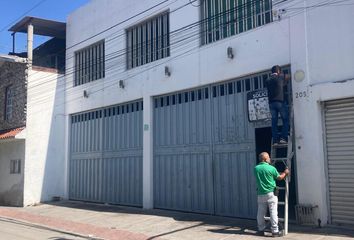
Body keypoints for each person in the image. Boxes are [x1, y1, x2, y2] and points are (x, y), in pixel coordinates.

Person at [254, 152, 289, 237]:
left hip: (260, 194)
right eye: (269, 157)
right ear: (265, 159)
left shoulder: (256, 168)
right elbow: (279, 178)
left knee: (260, 213)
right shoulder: (271, 168)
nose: (270, 158)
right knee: (273, 212)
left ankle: (261, 230)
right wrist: (285, 172)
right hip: (271, 194)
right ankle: (275, 231)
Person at [266, 65, 291, 145]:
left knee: (274, 122)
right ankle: (283, 138)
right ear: (278, 71)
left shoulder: (267, 80)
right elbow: (289, 76)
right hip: (280, 102)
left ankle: (275, 141)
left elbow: (276, 86)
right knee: (285, 120)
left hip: (271, 104)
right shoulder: (280, 77)